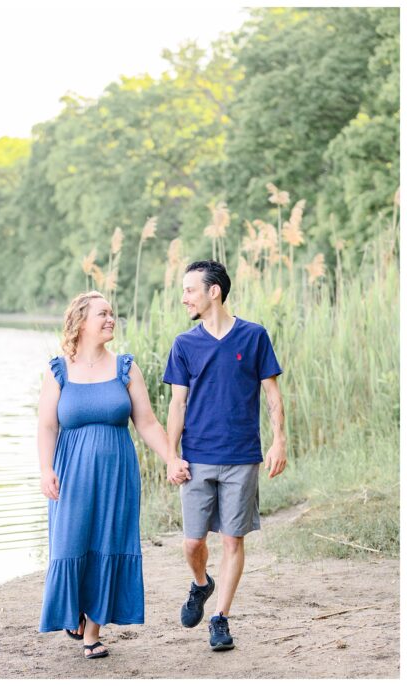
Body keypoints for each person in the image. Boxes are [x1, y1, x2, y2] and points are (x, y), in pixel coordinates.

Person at [37, 290, 174, 659]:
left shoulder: (126, 368)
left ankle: (92, 633)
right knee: (70, 544)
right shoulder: (58, 370)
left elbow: (146, 423)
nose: (111, 319)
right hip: (71, 473)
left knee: (109, 542)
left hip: (117, 473)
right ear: (81, 323)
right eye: (103, 314)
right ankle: (73, 613)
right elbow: (48, 426)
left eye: (113, 313)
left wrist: (171, 459)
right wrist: (45, 469)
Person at [163, 260, 287, 651]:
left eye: (189, 290)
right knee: (192, 543)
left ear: (213, 291)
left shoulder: (254, 336)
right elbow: (177, 405)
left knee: (233, 540)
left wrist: (279, 440)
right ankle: (202, 583)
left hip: (242, 456)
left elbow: (272, 394)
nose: (184, 297)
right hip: (197, 457)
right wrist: (170, 456)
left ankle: (220, 618)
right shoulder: (184, 344)